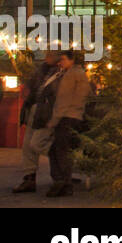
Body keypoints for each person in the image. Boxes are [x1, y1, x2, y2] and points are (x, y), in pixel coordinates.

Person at [11, 52, 62, 194]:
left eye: (51, 53)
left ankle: (64, 164)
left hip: (47, 112)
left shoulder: (61, 72)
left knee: (37, 143)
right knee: (27, 146)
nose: (47, 55)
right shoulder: (41, 69)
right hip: (36, 109)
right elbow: (32, 87)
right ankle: (29, 178)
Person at [46, 50, 90, 198]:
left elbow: (63, 100)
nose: (61, 62)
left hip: (66, 117)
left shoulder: (70, 75)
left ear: (72, 60)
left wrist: (53, 121)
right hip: (76, 116)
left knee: (59, 151)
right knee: (62, 150)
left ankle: (62, 182)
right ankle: (65, 183)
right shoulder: (81, 74)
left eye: (63, 59)